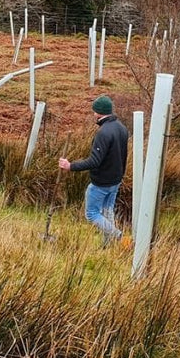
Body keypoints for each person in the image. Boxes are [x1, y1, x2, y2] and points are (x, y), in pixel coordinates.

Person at [59, 95, 130, 247]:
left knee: (91, 214)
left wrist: (70, 166)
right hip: (116, 180)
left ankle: (121, 238)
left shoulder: (103, 133)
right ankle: (107, 245)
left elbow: (94, 161)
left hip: (101, 183)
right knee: (107, 211)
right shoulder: (122, 128)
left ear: (98, 112)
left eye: (94, 111)